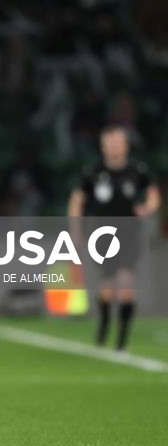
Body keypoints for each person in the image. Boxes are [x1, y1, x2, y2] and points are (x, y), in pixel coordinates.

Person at [68, 125, 161, 351]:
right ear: (103, 146)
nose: (113, 146)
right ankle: (104, 326)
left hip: (129, 233)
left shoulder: (136, 171)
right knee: (107, 285)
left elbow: (153, 194)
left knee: (127, 284)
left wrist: (147, 207)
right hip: (102, 234)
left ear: (125, 145)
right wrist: (76, 231)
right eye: (109, 142)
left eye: (117, 142)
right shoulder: (94, 172)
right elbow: (77, 200)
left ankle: (121, 340)